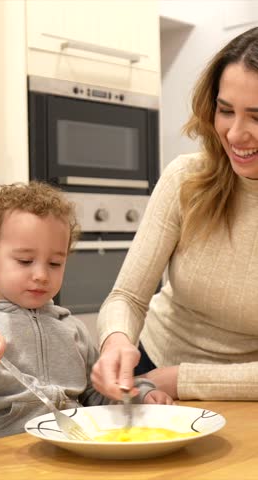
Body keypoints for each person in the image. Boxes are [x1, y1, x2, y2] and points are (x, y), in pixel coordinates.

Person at [91, 26, 258, 402]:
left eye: (257, 117)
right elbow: (127, 298)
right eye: (225, 110)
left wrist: (181, 379)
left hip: (242, 394)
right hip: (148, 374)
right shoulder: (186, 179)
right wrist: (115, 341)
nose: (234, 134)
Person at [0, 181, 172, 440]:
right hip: (6, 457)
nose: (41, 275)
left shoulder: (72, 329)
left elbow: (98, 394)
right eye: (25, 261)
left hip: (71, 450)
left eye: (54, 263)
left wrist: (141, 395)